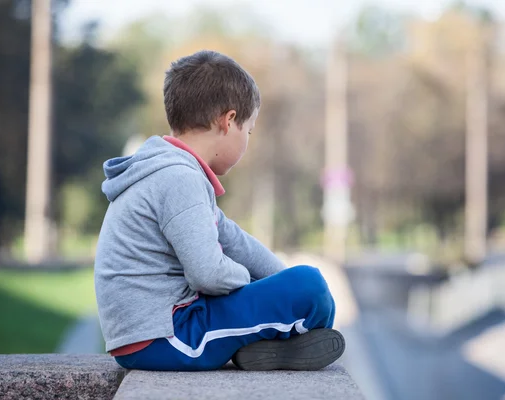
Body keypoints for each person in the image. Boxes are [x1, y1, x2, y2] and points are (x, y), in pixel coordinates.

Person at [94, 50, 345, 371]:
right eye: (249, 130)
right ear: (228, 121)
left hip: (153, 332)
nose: (248, 141)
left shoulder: (168, 170)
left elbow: (235, 241)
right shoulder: (179, 179)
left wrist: (278, 280)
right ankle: (285, 341)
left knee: (298, 283)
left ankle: (272, 347)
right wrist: (267, 289)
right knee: (310, 287)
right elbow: (208, 274)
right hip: (169, 337)